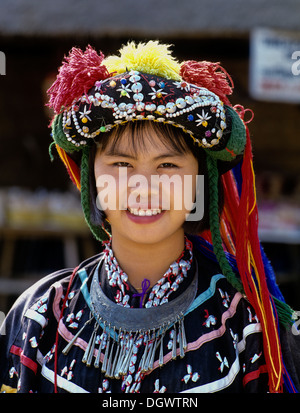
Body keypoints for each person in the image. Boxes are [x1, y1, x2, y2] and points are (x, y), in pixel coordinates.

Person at [0, 40, 299, 394]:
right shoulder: (42, 312)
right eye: (121, 164)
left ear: (198, 182)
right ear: (91, 177)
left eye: (168, 165)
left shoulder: (245, 322)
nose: (143, 187)